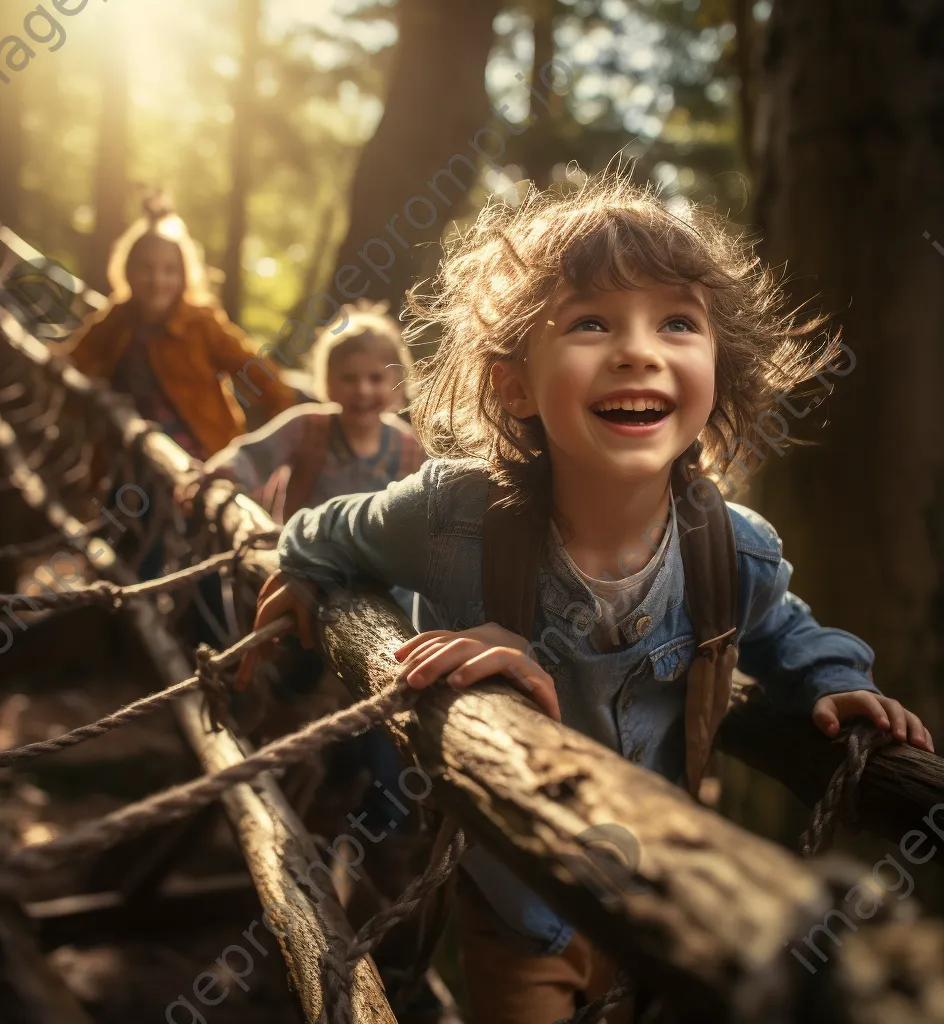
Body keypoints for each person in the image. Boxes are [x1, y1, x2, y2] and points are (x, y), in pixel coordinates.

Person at [237, 176, 934, 1023]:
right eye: (591, 322)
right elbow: (325, 528)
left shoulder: (732, 547)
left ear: (718, 369)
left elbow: (785, 629)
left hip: (664, 910)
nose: (638, 350)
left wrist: (834, 681)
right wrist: (305, 576)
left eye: (678, 322)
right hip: (515, 904)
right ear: (513, 388)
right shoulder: (452, 517)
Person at [64, 195, 295, 462]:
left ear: (185, 275)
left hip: (197, 458)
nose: (157, 280)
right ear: (128, 271)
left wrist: (275, 446)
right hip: (127, 453)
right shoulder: (119, 317)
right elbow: (75, 358)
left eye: (170, 270)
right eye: (146, 269)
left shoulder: (201, 324)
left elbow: (262, 375)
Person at [200, 299, 424, 525]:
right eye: (349, 378)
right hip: (299, 555)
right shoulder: (307, 427)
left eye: (376, 378)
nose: (362, 390)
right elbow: (250, 457)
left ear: (397, 381)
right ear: (327, 381)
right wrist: (214, 474)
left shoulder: (410, 449)